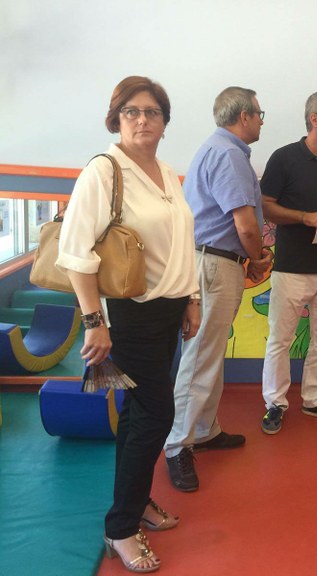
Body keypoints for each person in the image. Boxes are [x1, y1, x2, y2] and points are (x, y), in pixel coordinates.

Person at [57, 76, 199, 573]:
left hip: (169, 309)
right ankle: (119, 527)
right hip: (130, 313)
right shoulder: (104, 170)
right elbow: (75, 252)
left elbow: (182, 243)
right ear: (116, 119)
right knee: (157, 413)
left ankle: (135, 502)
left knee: (139, 414)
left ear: (164, 121)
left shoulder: (165, 171)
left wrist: (191, 297)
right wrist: (94, 321)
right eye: (132, 111)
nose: (142, 120)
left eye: (152, 111)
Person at [164, 87, 273, 492]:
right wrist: (257, 258)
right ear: (243, 116)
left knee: (208, 353)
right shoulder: (229, 155)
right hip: (214, 263)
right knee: (199, 357)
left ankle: (204, 430)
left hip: (212, 261)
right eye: (259, 114)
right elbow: (245, 225)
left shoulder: (217, 148)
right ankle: (177, 445)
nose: (261, 121)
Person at [259, 91, 317, 434]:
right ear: (314, 119)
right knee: (280, 339)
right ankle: (275, 403)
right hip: (292, 267)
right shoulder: (284, 158)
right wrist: (304, 216)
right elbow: (265, 206)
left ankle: (314, 399)